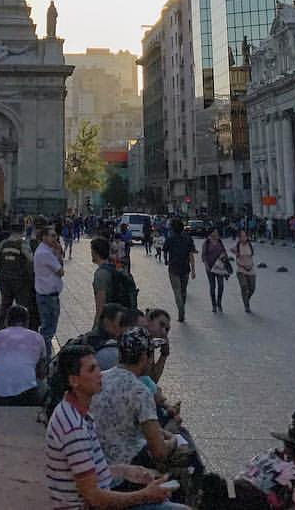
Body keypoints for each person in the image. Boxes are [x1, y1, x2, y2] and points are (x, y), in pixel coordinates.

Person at [45, 343, 181, 509]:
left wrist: (123, 471)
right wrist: (146, 495)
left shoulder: (76, 412)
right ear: (74, 381)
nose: (99, 374)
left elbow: (87, 475)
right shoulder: (74, 428)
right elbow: (94, 498)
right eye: (91, 370)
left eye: (97, 367)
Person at [91, 329, 186, 472]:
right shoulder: (140, 392)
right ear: (143, 358)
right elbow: (159, 452)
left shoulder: (99, 379)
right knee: (185, 455)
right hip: (125, 471)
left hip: (94, 462)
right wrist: (174, 441)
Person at [0, 303, 47, 406]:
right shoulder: (37, 338)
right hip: (26, 395)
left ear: (6, 321)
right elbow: (41, 372)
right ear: (27, 321)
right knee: (43, 385)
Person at [0, 220, 39, 330]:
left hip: (5, 280)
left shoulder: (3, 243)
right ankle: (24, 330)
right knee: (23, 306)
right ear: (22, 231)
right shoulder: (22, 243)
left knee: (5, 305)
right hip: (20, 281)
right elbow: (31, 259)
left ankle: (1, 330)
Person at [36, 224, 66, 350]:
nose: (55, 239)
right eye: (52, 236)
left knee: (48, 329)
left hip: (47, 295)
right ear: (44, 237)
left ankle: (45, 353)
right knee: (48, 330)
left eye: (56, 236)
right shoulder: (45, 253)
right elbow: (60, 271)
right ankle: (46, 356)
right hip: (48, 297)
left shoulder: (46, 251)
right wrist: (58, 253)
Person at [162, 218, 197, 323]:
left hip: (173, 268)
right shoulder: (188, 239)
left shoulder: (170, 239)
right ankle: (182, 307)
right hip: (185, 268)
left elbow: (165, 251)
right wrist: (193, 270)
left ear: (172, 229)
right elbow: (191, 255)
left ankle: (180, 309)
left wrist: (166, 260)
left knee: (176, 290)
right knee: (183, 290)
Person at [202, 228, 231, 313]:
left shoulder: (219, 241)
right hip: (210, 268)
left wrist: (225, 257)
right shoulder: (207, 242)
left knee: (221, 285)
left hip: (219, 267)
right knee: (212, 286)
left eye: (217, 232)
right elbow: (203, 255)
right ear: (211, 233)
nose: (217, 233)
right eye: (215, 232)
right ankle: (213, 305)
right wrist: (206, 265)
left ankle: (219, 303)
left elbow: (224, 252)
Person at [233, 228, 257, 313]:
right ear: (239, 237)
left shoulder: (250, 245)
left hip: (251, 269)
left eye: (245, 236)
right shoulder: (237, 246)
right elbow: (231, 250)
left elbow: (252, 253)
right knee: (244, 286)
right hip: (241, 269)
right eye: (242, 236)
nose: (244, 238)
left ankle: (246, 299)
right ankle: (246, 305)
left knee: (252, 288)